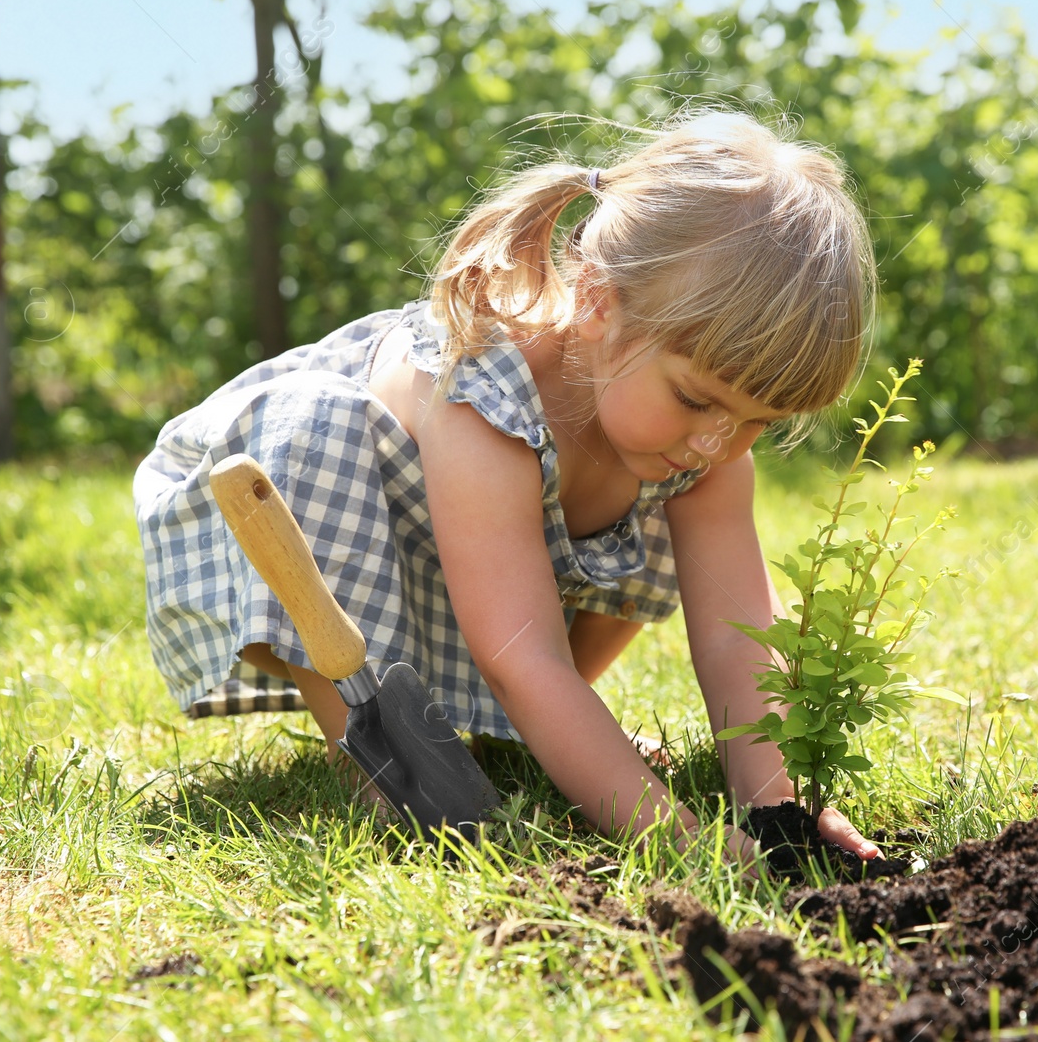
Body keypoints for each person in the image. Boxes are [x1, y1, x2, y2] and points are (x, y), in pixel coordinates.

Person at [133, 110, 881, 863]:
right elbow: (520, 653)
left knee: (672, 481)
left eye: (760, 420)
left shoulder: (695, 444)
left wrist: (775, 804)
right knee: (315, 428)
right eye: (696, 398)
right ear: (597, 301)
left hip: (485, 594)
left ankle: (517, 730)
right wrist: (672, 836)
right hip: (288, 544)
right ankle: (378, 757)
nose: (719, 439)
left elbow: (734, 634)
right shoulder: (481, 387)